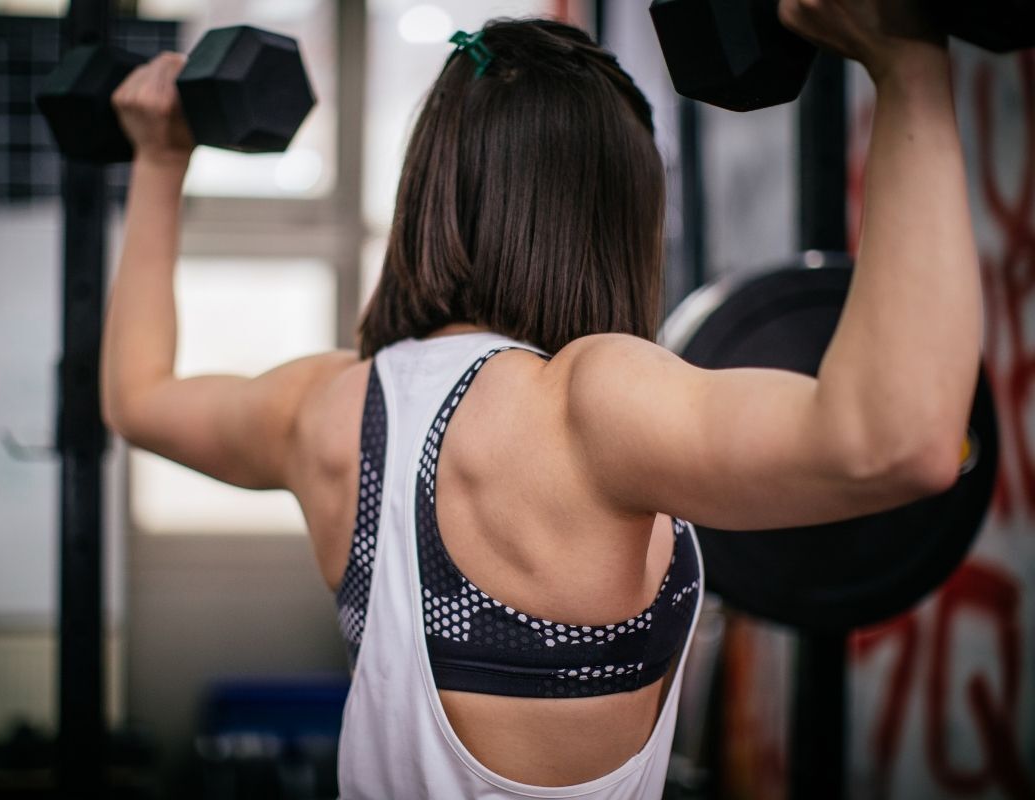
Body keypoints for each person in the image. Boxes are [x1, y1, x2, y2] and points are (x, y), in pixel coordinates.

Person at [100, 1, 979, 796]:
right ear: (616, 218)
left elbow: (137, 398)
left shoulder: (320, 406)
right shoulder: (588, 406)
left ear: (428, 193)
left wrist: (160, 159)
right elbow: (900, 439)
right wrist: (907, 61)